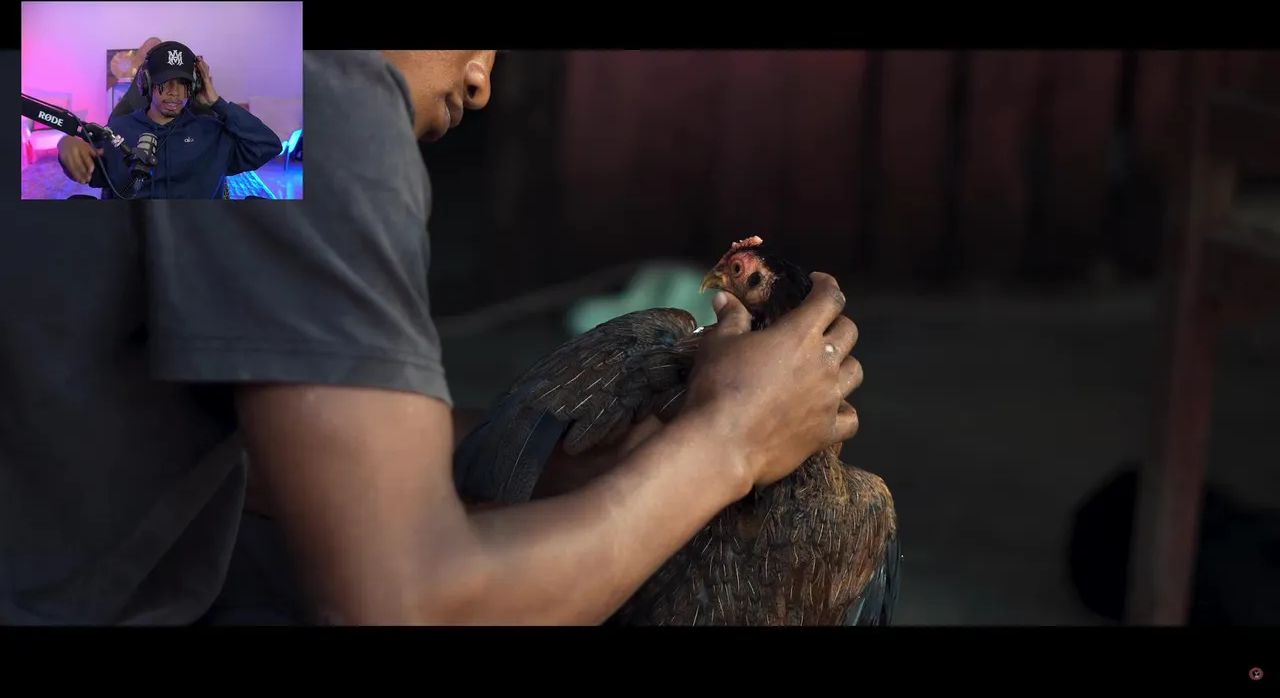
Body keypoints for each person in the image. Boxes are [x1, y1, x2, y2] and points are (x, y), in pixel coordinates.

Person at [0, 50, 864, 626]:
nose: (481, 80)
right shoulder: (320, 100)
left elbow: (190, 429)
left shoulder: (138, 45)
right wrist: (731, 441)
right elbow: (408, 604)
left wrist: (536, 462)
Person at [55, 40, 281, 199]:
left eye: (183, 83)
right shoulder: (118, 129)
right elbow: (88, 169)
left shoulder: (212, 132)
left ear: (195, 87)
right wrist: (66, 145)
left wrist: (217, 103)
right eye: (165, 82)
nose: (175, 92)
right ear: (147, 84)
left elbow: (268, 145)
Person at [109, 37, 215, 121]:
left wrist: (214, 102)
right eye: (146, 58)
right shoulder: (126, 112)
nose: (174, 92)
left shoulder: (198, 112)